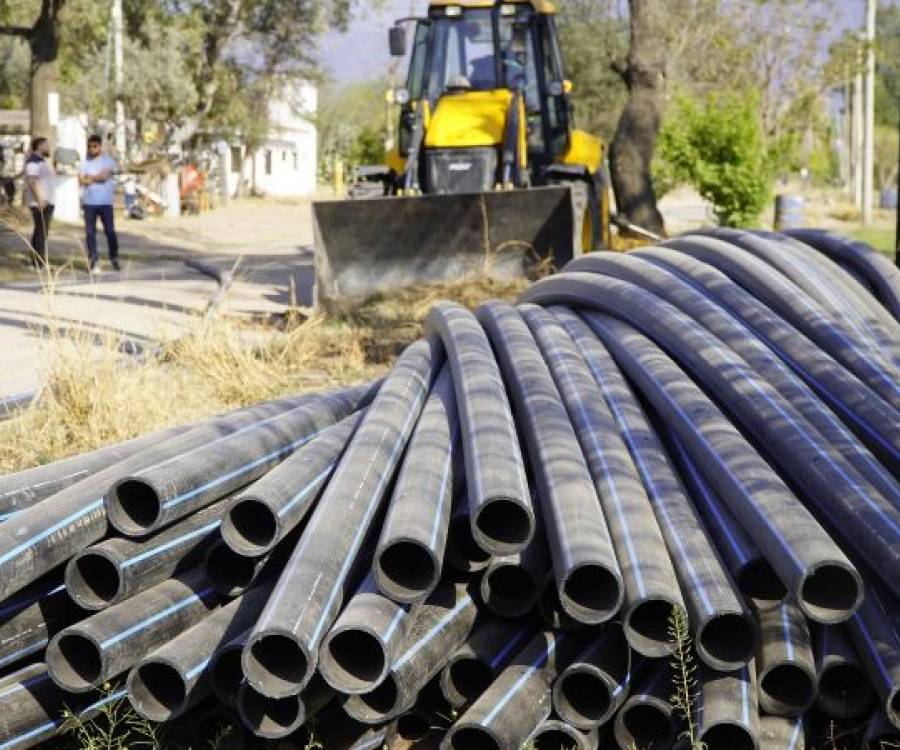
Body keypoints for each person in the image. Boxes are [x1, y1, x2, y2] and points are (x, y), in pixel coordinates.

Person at [78, 134, 120, 272]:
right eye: (89, 146)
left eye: (95, 146)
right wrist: (92, 178)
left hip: (105, 202)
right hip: (89, 203)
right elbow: (81, 180)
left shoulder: (107, 161)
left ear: (100, 147)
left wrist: (90, 177)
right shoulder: (84, 163)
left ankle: (114, 257)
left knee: (110, 232)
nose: (92, 149)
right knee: (90, 233)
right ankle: (93, 260)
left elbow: (104, 176)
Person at [23, 136, 55, 268]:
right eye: (46, 145)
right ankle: (38, 262)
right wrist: (40, 199)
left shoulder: (42, 161)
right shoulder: (33, 162)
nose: (49, 147)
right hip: (40, 203)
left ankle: (39, 260)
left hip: (47, 201)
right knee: (40, 233)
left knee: (42, 232)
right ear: (40, 146)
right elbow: (32, 181)